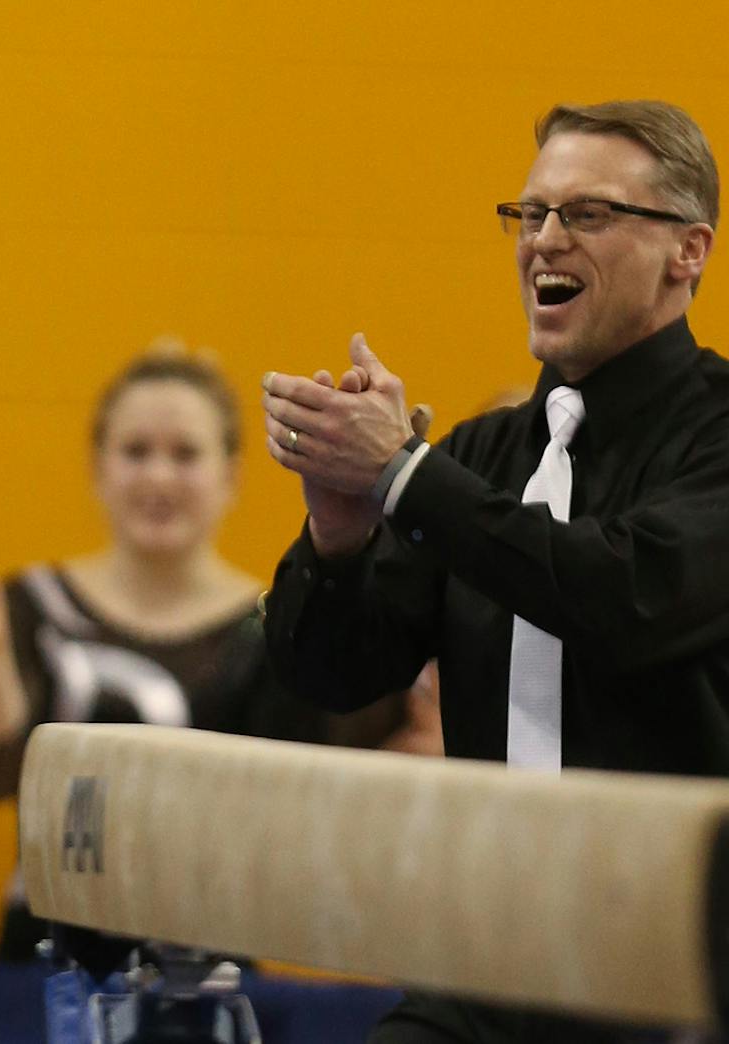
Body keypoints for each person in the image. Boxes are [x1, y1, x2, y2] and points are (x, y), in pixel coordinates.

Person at [262, 100, 724, 1042]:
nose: (545, 241)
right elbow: (334, 675)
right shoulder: (481, 457)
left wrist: (405, 476)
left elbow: (621, 595)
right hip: (486, 967)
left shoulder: (715, 436)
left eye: (589, 215)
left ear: (689, 252)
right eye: (530, 214)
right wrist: (340, 527)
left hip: (676, 971)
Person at [0, 347, 404, 964]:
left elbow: (321, 777)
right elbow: (0, 773)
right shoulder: (32, 601)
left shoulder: (273, 623)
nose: (159, 477)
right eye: (136, 452)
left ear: (231, 474)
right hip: (49, 948)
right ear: (99, 468)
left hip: (210, 954)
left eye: (185, 454)